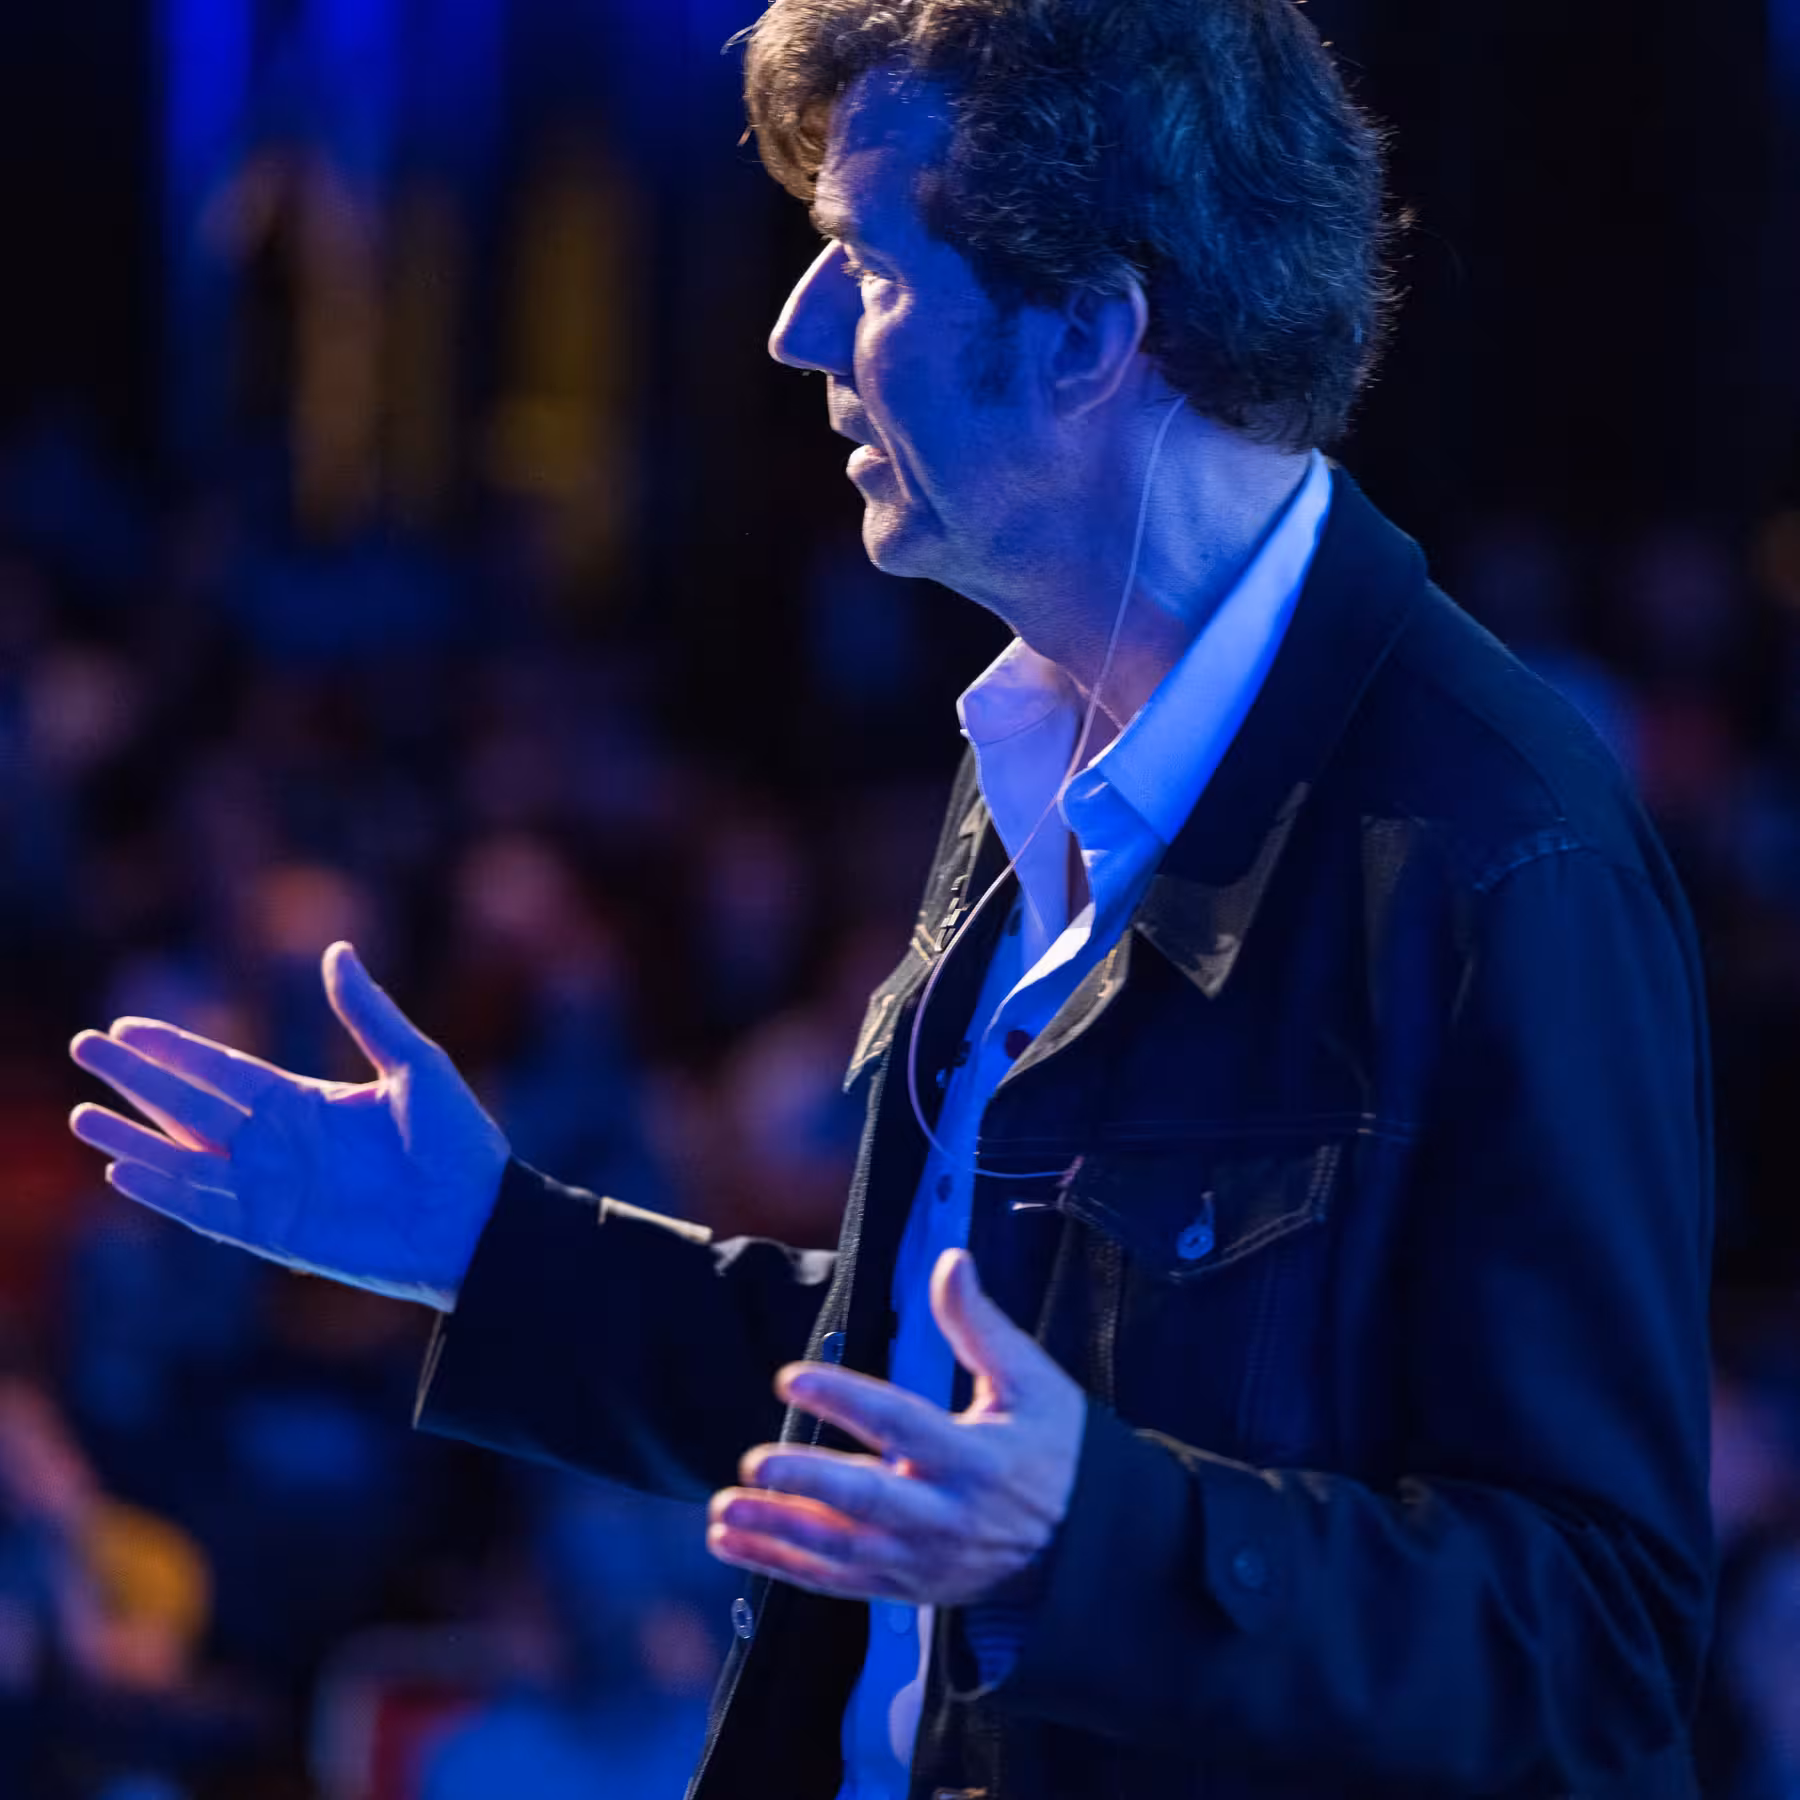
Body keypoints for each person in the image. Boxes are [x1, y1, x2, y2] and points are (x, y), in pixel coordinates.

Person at [64, 0, 1715, 1795]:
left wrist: (1089, 1543)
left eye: (863, 262)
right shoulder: (1037, 739)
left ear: (1087, 334)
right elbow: (925, 1402)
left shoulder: (1499, 843)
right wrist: (490, 1245)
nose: (796, 329)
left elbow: (1599, 1645)